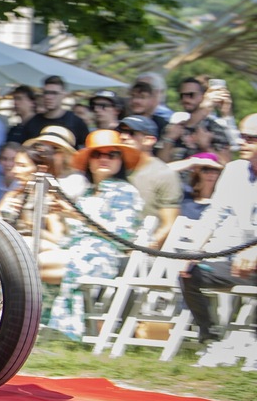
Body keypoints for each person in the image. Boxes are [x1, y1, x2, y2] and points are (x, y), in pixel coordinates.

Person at [47, 129, 144, 339]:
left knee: (29, 266)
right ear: (89, 160)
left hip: (103, 256)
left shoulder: (126, 192)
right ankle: (42, 326)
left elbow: (122, 237)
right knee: (28, 255)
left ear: (120, 161)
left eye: (112, 154)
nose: (104, 159)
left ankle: (54, 329)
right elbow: (73, 233)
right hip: (79, 249)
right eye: (98, 154)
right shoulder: (88, 193)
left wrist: (77, 215)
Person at [177, 114, 257, 344]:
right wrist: (193, 251)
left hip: (251, 260)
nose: (242, 142)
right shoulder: (234, 170)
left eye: (251, 138)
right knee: (189, 274)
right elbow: (213, 214)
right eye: (242, 136)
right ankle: (209, 339)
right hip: (234, 262)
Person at [117, 115, 181, 248]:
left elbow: (169, 224)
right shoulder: (114, 168)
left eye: (131, 133)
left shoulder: (164, 174)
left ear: (149, 140)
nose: (123, 137)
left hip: (141, 253)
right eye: (121, 132)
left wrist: (144, 249)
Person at [158, 77, 235, 164]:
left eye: (191, 95)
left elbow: (226, 164)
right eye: (182, 95)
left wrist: (206, 147)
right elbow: (161, 165)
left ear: (202, 96)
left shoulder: (214, 129)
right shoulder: (173, 128)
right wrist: (169, 139)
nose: (185, 99)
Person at [15, 76, 89, 147]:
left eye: (54, 93)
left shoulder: (76, 122)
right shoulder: (32, 123)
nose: (49, 97)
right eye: (46, 92)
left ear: (63, 95)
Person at [168, 152, 224, 220]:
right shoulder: (184, 193)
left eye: (215, 170)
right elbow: (158, 173)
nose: (211, 174)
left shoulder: (223, 202)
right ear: (197, 173)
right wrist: (194, 161)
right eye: (205, 169)